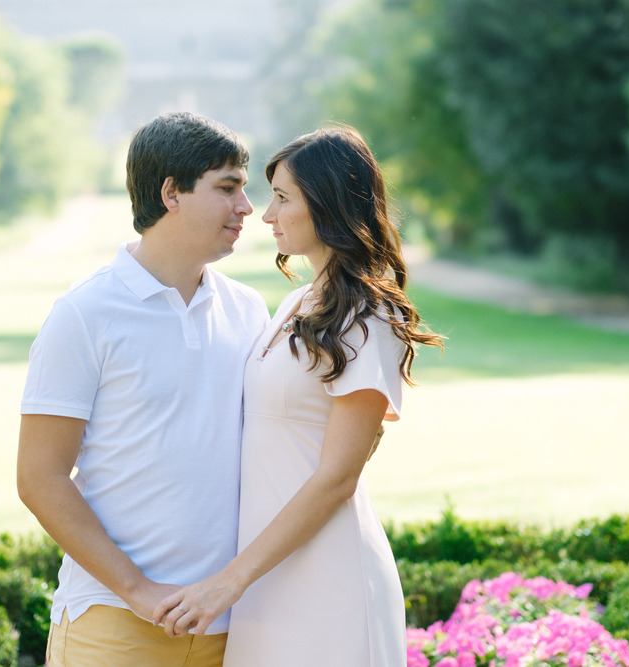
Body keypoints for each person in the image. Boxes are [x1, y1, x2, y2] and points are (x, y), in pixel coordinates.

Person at [152, 125, 445, 667]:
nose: (265, 215)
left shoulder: (368, 316)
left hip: (327, 577)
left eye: (283, 199)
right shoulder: (295, 305)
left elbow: (338, 476)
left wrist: (229, 582)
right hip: (266, 579)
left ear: (328, 203)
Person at [16, 112, 270, 667]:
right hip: (114, 624)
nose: (246, 207)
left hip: (232, 625)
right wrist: (137, 589)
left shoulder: (248, 310)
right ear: (171, 193)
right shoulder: (84, 314)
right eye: (227, 188)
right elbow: (40, 477)